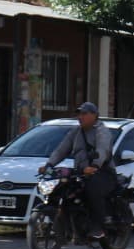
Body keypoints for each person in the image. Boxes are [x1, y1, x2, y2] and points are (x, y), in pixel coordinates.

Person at [42, 102, 116, 239]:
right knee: (64, 188)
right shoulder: (75, 132)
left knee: (92, 188)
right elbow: (61, 150)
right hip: (82, 171)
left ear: (94, 115)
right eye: (79, 114)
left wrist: (95, 166)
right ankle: (67, 225)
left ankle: (98, 226)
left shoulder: (101, 131)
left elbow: (103, 149)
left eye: (84, 114)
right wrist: (49, 165)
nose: (80, 117)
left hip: (103, 172)